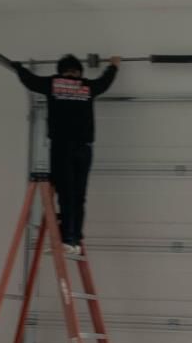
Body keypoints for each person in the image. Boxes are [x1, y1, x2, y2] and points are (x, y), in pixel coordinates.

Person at [10, 53, 121, 254]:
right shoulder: (86, 86)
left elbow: (31, 82)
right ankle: (75, 238)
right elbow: (105, 83)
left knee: (66, 192)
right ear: (79, 71)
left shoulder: (55, 84)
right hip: (84, 148)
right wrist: (114, 66)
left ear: (61, 71)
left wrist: (18, 67)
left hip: (62, 147)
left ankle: (68, 238)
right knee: (79, 194)